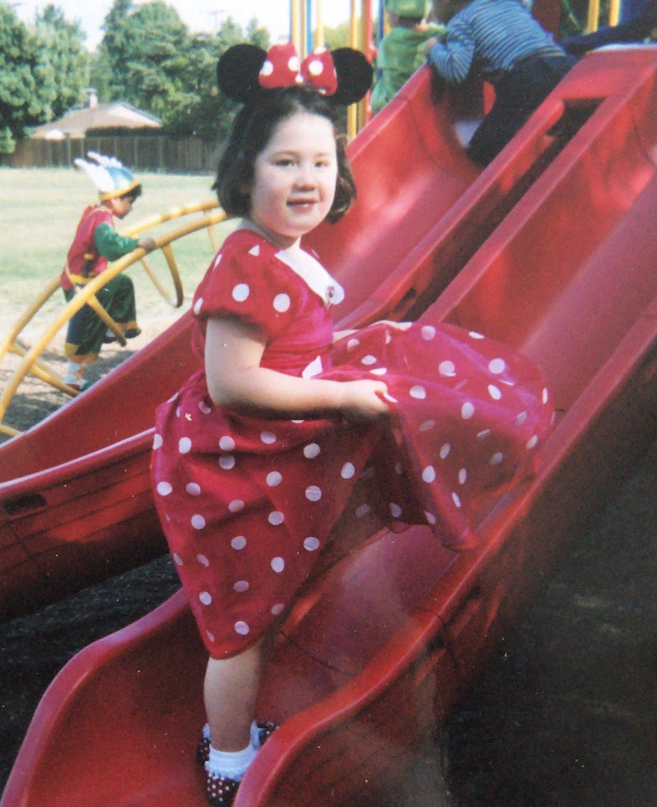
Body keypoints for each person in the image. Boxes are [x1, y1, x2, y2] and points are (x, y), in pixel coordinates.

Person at [150, 41, 555, 806]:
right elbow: (231, 379)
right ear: (246, 168)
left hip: (267, 454)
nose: (306, 179)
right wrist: (341, 395)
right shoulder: (247, 260)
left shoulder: (287, 252)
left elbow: (292, 344)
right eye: (284, 163)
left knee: (401, 371)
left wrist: (342, 363)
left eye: (320, 161)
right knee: (239, 627)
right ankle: (228, 764)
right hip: (232, 470)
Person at [424, 0, 657, 165]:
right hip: (561, 63)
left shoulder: (460, 24)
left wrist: (434, 48)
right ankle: (639, 26)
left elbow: (456, 70)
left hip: (525, 78)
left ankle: (529, 140)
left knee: (481, 149)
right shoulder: (506, 2)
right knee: (573, 49)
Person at [60, 153, 156, 391]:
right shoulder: (102, 220)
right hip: (83, 284)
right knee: (85, 328)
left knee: (121, 283)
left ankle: (120, 327)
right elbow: (110, 247)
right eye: (129, 202)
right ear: (114, 199)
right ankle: (73, 377)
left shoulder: (96, 213)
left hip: (88, 279)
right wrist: (136, 244)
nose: (131, 208)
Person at [370, 0, 445, 114]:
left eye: (389, 14)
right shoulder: (441, 35)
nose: (388, 19)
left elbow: (391, 84)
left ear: (396, 15)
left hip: (397, 111)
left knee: (378, 97)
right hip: (434, 108)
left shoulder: (390, 43)